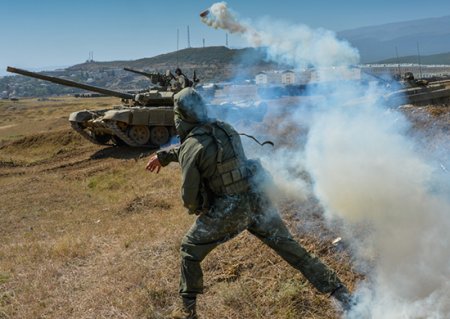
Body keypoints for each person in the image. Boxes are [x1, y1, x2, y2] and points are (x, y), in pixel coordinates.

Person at [146, 88, 353, 319]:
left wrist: (199, 209)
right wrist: (165, 156)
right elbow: (201, 147)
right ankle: (342, 294)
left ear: (179, 115)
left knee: (188, 249)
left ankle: (187, 313)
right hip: (257, 201)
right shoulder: (226, 128)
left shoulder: (192, 146)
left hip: (229, 212)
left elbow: (189, 195)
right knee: (295, 252)